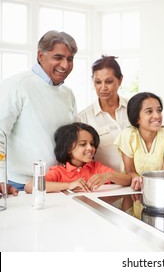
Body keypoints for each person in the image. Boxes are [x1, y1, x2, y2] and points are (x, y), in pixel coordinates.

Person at [0, 30, 78, 193]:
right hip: (17, 185)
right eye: (58, 57)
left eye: (69, 59)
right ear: (40, 56)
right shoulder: (17, 85)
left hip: (56, 183)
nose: (65, 65)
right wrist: (0, 178)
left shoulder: (68, 94)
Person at [24, 122, 131, 193]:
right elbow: (29, 187)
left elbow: (129, 180)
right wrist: (69, 185)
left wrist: (109, 176)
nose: (90, 148)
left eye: (92, 144)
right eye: (83, 144)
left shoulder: (97, 168)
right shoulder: (59, 172)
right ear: (68, 149)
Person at [114, 92, 164, 190]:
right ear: (137, 118)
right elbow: (130, 170)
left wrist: (147, 185)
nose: (157, 116)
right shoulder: (127, 136)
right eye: (149, 111)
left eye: (159, 110)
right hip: (136, 190)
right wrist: (137, 180)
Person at [77, 55, 130, 172]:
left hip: (139, 180)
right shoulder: (83, 119)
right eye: (98, 82)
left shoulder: (135, 109)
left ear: (120, 80)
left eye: (109, 82)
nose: (103, 87)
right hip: (107, 185)